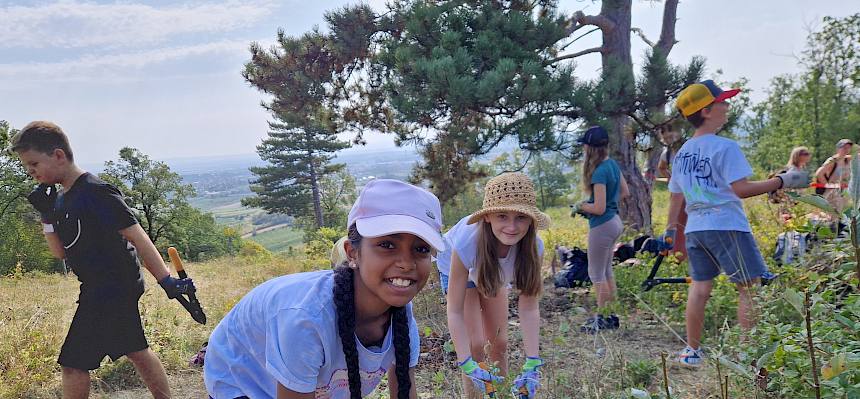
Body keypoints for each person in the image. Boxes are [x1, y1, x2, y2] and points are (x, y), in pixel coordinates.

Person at [204, 179, 445, 399]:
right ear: (353, 253)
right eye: (387, 244)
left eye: (421, 249)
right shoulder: (307, 319)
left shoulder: (401, 312)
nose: (406, 263)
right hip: (242, 378)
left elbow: (406, 389)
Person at [10, 121, 195, 399]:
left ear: (58, 155)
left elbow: (138, 237)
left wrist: (166, 279)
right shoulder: (61, 199)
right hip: (100, 285)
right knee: (136, 350)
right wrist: (47, 217)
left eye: (34, 163)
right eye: (27, 166)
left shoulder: (96, 192)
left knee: (73, 363)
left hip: (111, 287)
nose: (31, 172)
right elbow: (61, 252)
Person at [664, 81, 809, 368]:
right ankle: (748, 357)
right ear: (706, 111)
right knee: (748, 288)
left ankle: (692, 351)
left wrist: (671, 230)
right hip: (728, 225)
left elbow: (675, 196)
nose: (727, 107)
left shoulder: (682, 153)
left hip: (696, 228)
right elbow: (740, 190)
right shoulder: (725, 147)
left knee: (700, 287)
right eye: (722, 103)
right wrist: (783, 180)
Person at [438, 172, 548, 398]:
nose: (512, 226)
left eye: (521, 217)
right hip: (460, 269)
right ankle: (477, 393)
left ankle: (503, 392)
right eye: (502, 216)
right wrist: (466, 362)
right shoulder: (466, 244)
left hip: (492, 271)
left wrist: (532, 361)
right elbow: (455, 311)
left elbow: (529, 308)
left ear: (531, 219)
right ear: (488, 217)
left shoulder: (533, 248)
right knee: (475, 344)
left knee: (500, 341)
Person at [570, 126, 629, 333]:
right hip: (614, 221)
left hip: (602, 225)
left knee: (595, 273)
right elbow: (625, 191)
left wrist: (581, 206)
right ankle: (612, 316)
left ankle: (602, 318)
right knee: (606, 271)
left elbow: (598, 208)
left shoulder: (599, 172)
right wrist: (604, 202)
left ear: (588, 148)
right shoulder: (611, 164)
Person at [815, 139, 852, 214]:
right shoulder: (832, 161)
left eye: (848, 148)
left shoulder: (847, 159)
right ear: (838, 149)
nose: (846, 150)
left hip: (843, 193)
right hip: (832, 194)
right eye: (844, 148)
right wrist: (829, 185)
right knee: (832, 219)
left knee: (843, 218)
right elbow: (819, 174)